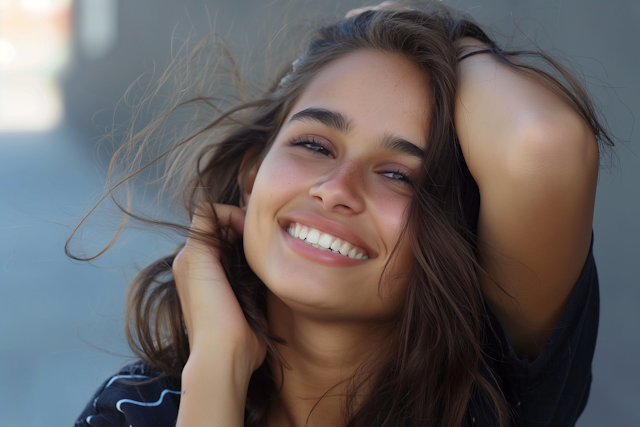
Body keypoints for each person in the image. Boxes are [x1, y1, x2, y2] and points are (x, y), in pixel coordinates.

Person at [73, 3, 611, 427]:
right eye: (314, 145)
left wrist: (442, 34)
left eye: (399, 175)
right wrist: (217, 368)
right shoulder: (135, 411)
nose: (336, 190)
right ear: (251, 173)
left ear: (456, 234)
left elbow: (544, 144)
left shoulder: (488, 395)